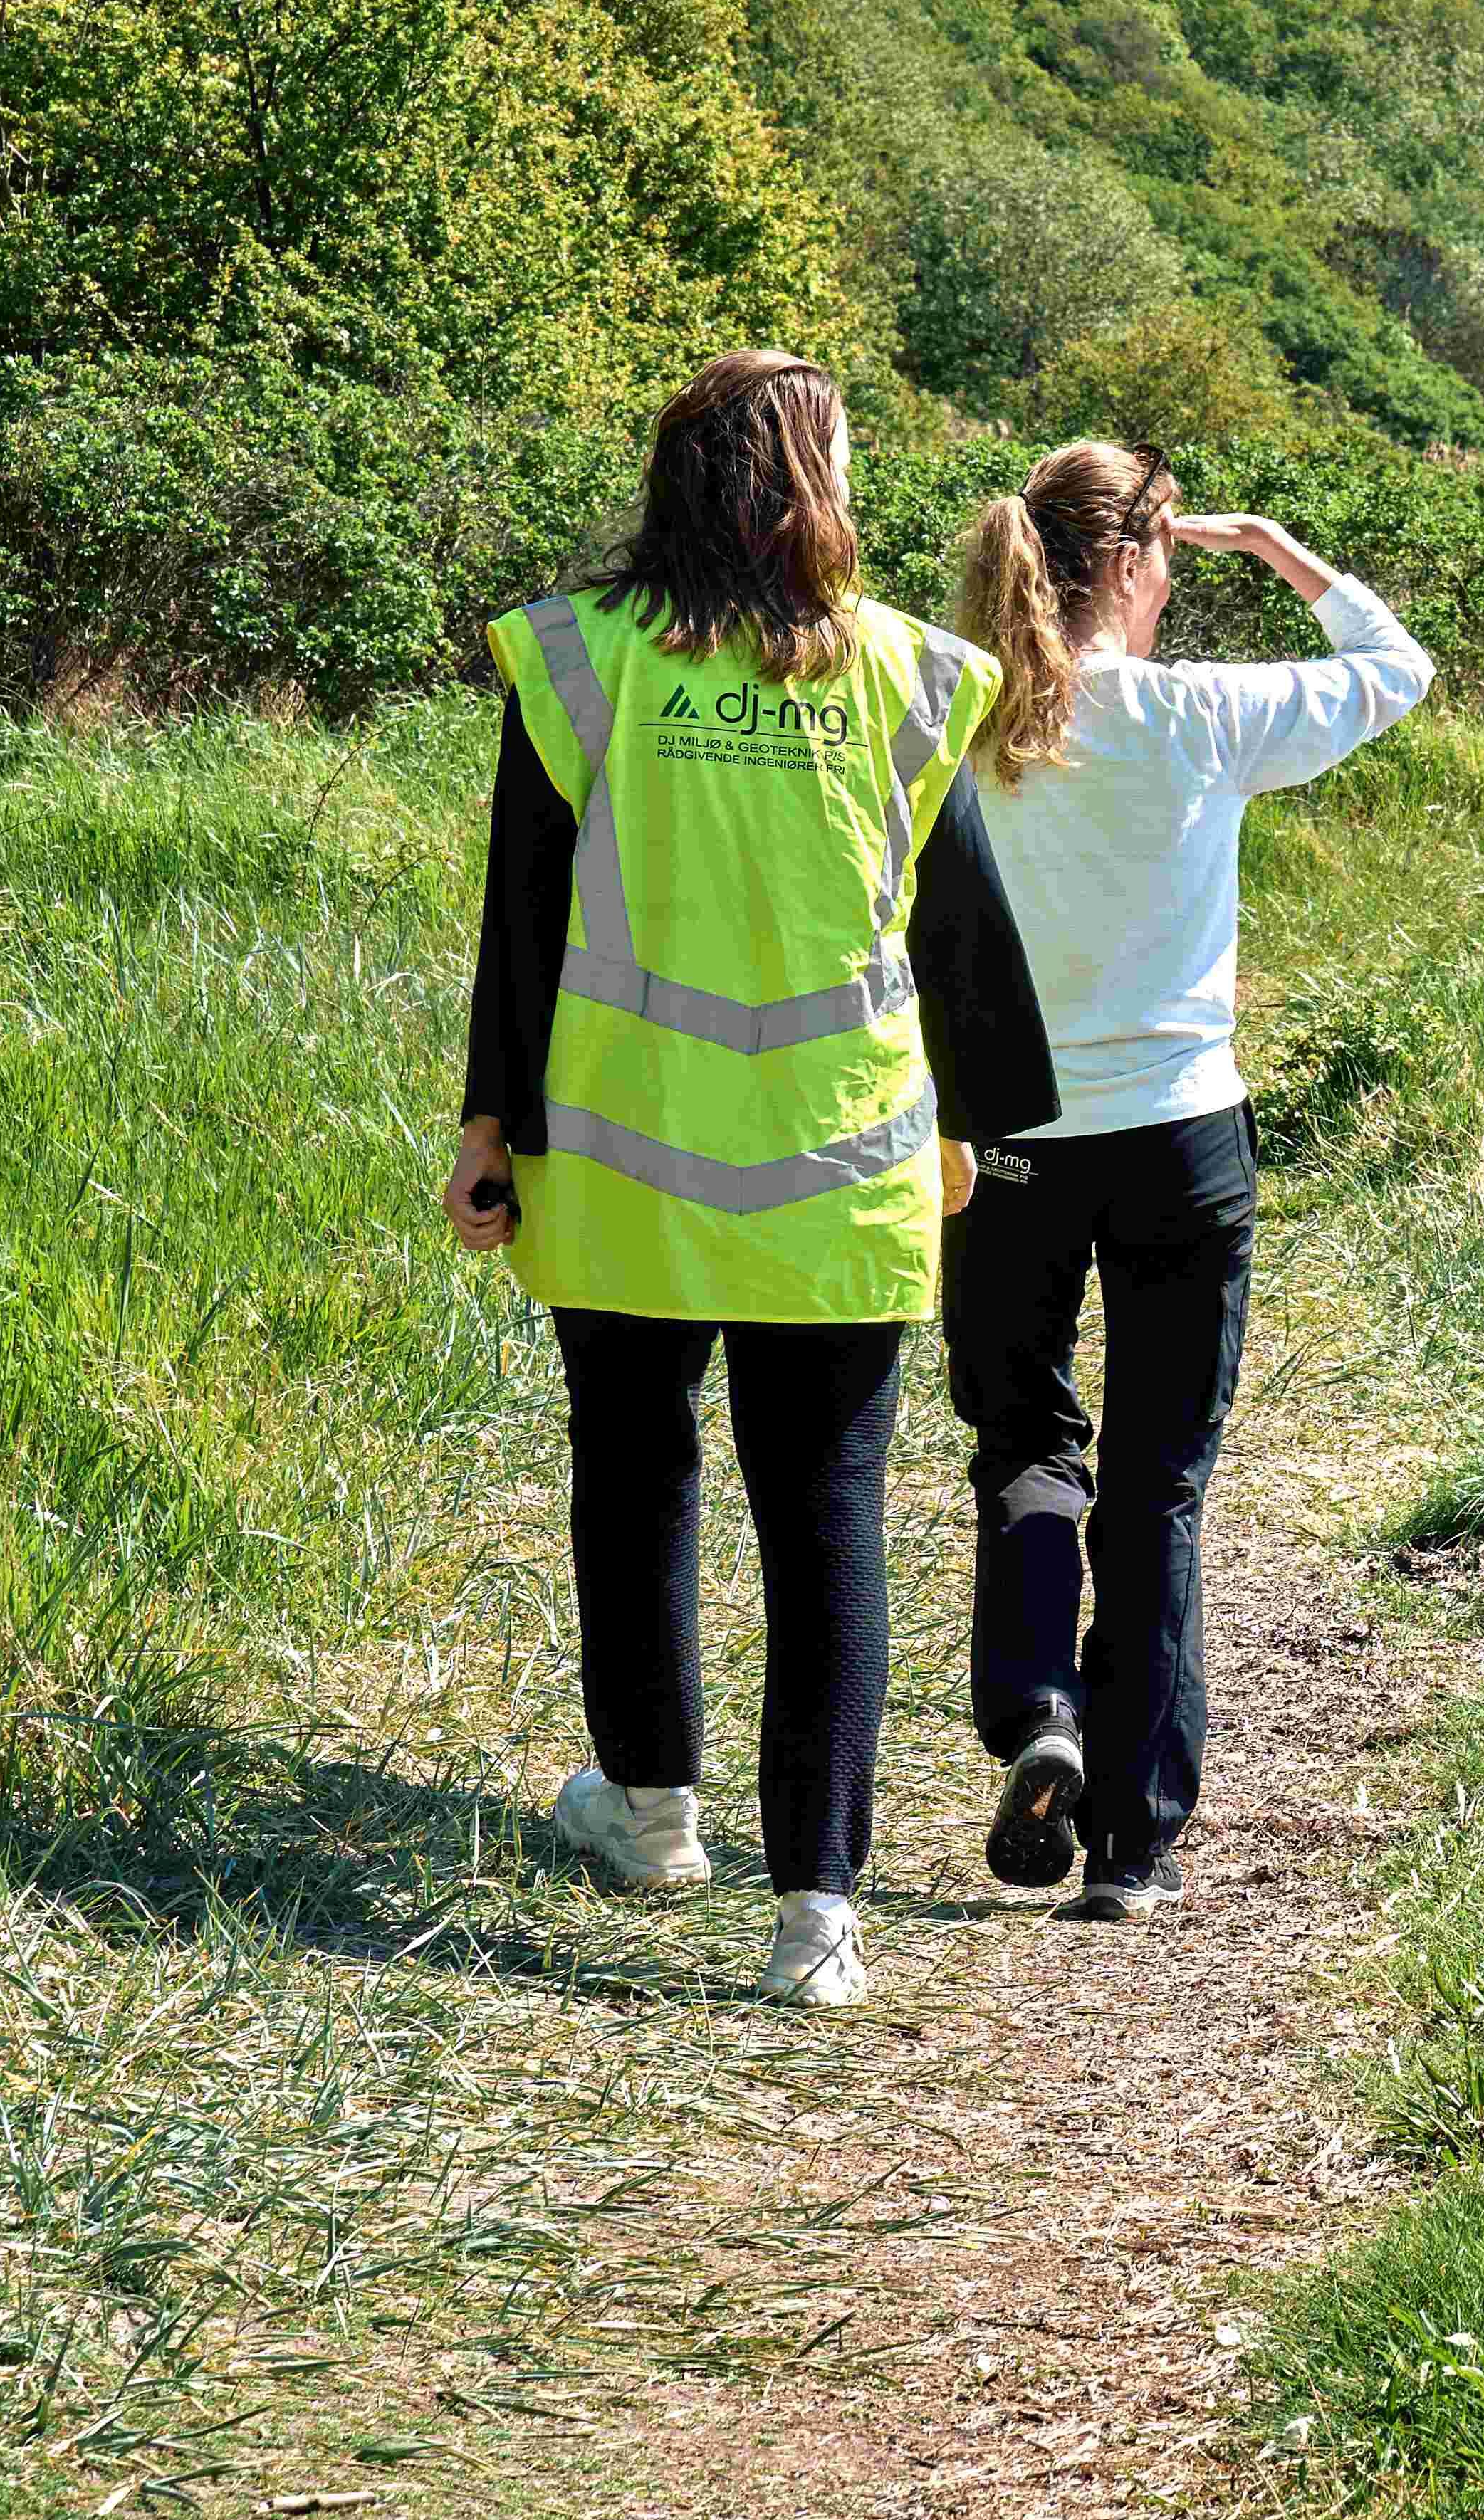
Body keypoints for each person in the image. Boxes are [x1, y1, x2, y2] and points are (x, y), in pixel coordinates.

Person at [447, 351, 1063, 2009]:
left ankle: (652, 1813)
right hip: (835, 1177)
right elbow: (963, 941)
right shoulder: (901, 677)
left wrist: (489, 1127)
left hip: (627, 1166)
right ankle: (818, 1924)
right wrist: (997, 1144)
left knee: (633, 1473)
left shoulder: (581, 660)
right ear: (807, 480)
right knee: (825, 1516)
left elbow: (521, 913)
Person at [934, 445, 1433, 1918]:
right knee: (1154, 1485)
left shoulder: (966, 712)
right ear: (1143, 567)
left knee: (1025, 1438)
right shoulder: (1201, 716)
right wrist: (1281, 548)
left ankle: (1037, 1709)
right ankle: (1134, 1844)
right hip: (1180, 1145)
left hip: (1013, 1139)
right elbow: (1393, 664)